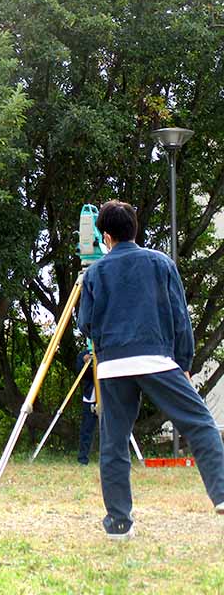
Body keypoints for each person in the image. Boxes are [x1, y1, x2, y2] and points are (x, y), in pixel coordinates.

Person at [78, 200, 224, 540]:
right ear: (135, 229)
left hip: (113, 366)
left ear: (105, 236)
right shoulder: (160, 262)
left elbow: (86, 324)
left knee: (113, 444)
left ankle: (118, 524)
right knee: (200, 424)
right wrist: (184, 363)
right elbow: (180, 318)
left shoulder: (95, 272)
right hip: (156, 359)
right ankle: (220, 493)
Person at [76, 349, 97, 465]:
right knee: (86, 428)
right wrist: (86, 363)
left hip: (108, 396)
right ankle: (82, 459)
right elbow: (81, 374)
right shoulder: (82, 355)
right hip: (90, 397)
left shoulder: (108, 349)